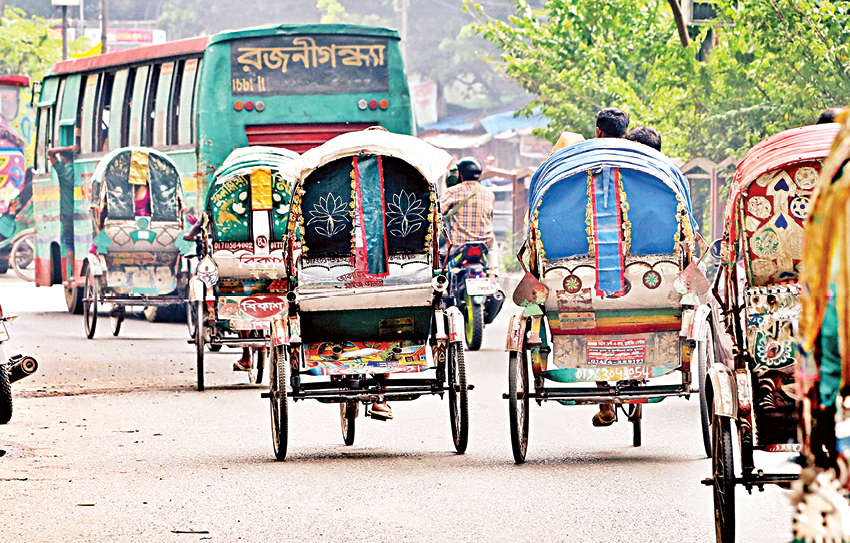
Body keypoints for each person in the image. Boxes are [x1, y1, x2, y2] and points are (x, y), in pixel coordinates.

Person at [592, 108, 629, 428]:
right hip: (642, 270)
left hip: (586, 269)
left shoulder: (582, 161)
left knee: (594, 330)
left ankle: (606, 404)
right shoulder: (643, 162)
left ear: (599, 132)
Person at [439, 157, 495, 250]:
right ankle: (495, 260)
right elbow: (490, 218)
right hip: (485, 245)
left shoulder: (452, 191)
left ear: (461, 175)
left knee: (440, 254)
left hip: (459, 245)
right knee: (493, 248)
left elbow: (437, 213)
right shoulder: (489, 194)